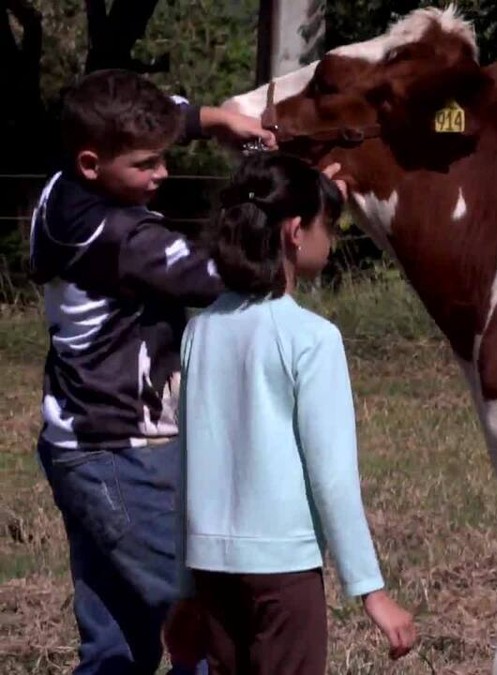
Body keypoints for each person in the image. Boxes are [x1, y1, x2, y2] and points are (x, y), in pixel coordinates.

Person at [28, 68, 275, 675]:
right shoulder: (120, 236)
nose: (162, 174)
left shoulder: (62, 187)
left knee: (117, 641)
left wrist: (214, 119)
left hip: (80, 443)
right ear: (93, 163)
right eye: (147, 164)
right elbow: (223, 274)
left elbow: (157, 113)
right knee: (200, 621)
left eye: (165, 156)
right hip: (123, 450)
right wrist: (288, 209)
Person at [178, 152, 417, 674]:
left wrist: (183, 586)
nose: (329, 238)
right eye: (326, 225)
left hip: (210, 572)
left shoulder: (199, 331)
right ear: (294, 232)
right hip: (284, 575)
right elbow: (332, 478)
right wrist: (371, 591)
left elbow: (185, 463)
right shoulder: (313, 339)